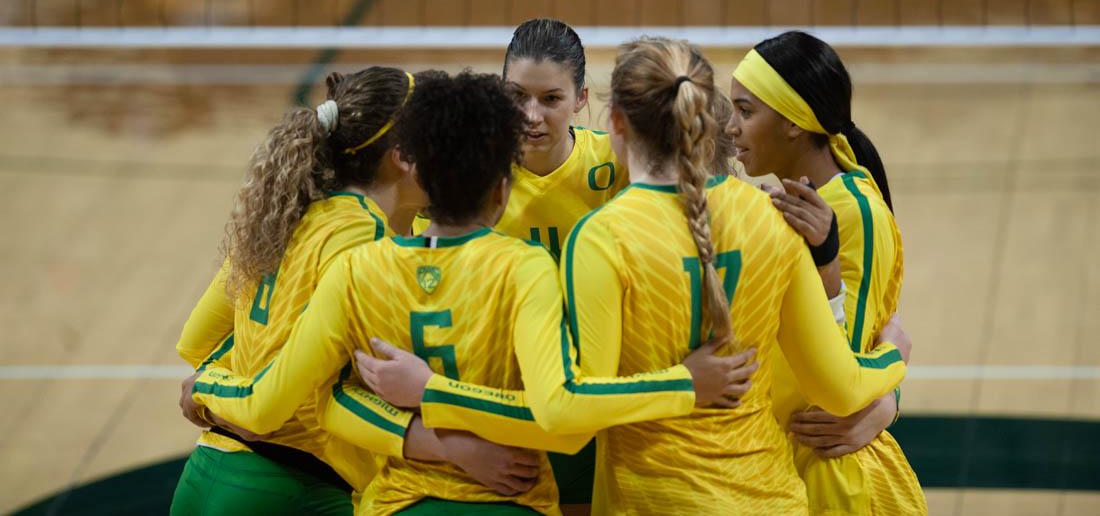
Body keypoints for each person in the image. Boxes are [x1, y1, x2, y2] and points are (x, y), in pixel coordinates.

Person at [367, 38, 910, 513]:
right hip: (768, 498)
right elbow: (839, 389)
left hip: (647, 499)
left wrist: (435, 393)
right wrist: (893, 358)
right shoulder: (774, 222)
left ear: (616, 123)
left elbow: (570, 415)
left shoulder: (603, 238)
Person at [185, 70, 749, 515]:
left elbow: (212, 348)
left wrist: (212, 387)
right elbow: (562, 412)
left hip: (231, 473)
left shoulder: (296, 221)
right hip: (303, 487)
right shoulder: (505, 266)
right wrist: (446, 434)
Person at [172, 68, 533, 514]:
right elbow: (343, 395)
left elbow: (196, 341)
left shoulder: (284, 213)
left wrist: (219, 394)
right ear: (403, 156)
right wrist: (457, 449)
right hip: (293, 487)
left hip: (209, 468)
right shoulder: (364, 243)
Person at [729, 31, 926, 514]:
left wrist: (884, 398)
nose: (729, 128)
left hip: (826, 474)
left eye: (745, 111)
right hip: (775, 463)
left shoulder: (852, 213)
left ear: (794, 123)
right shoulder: (777, 204)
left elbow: (846, 368)